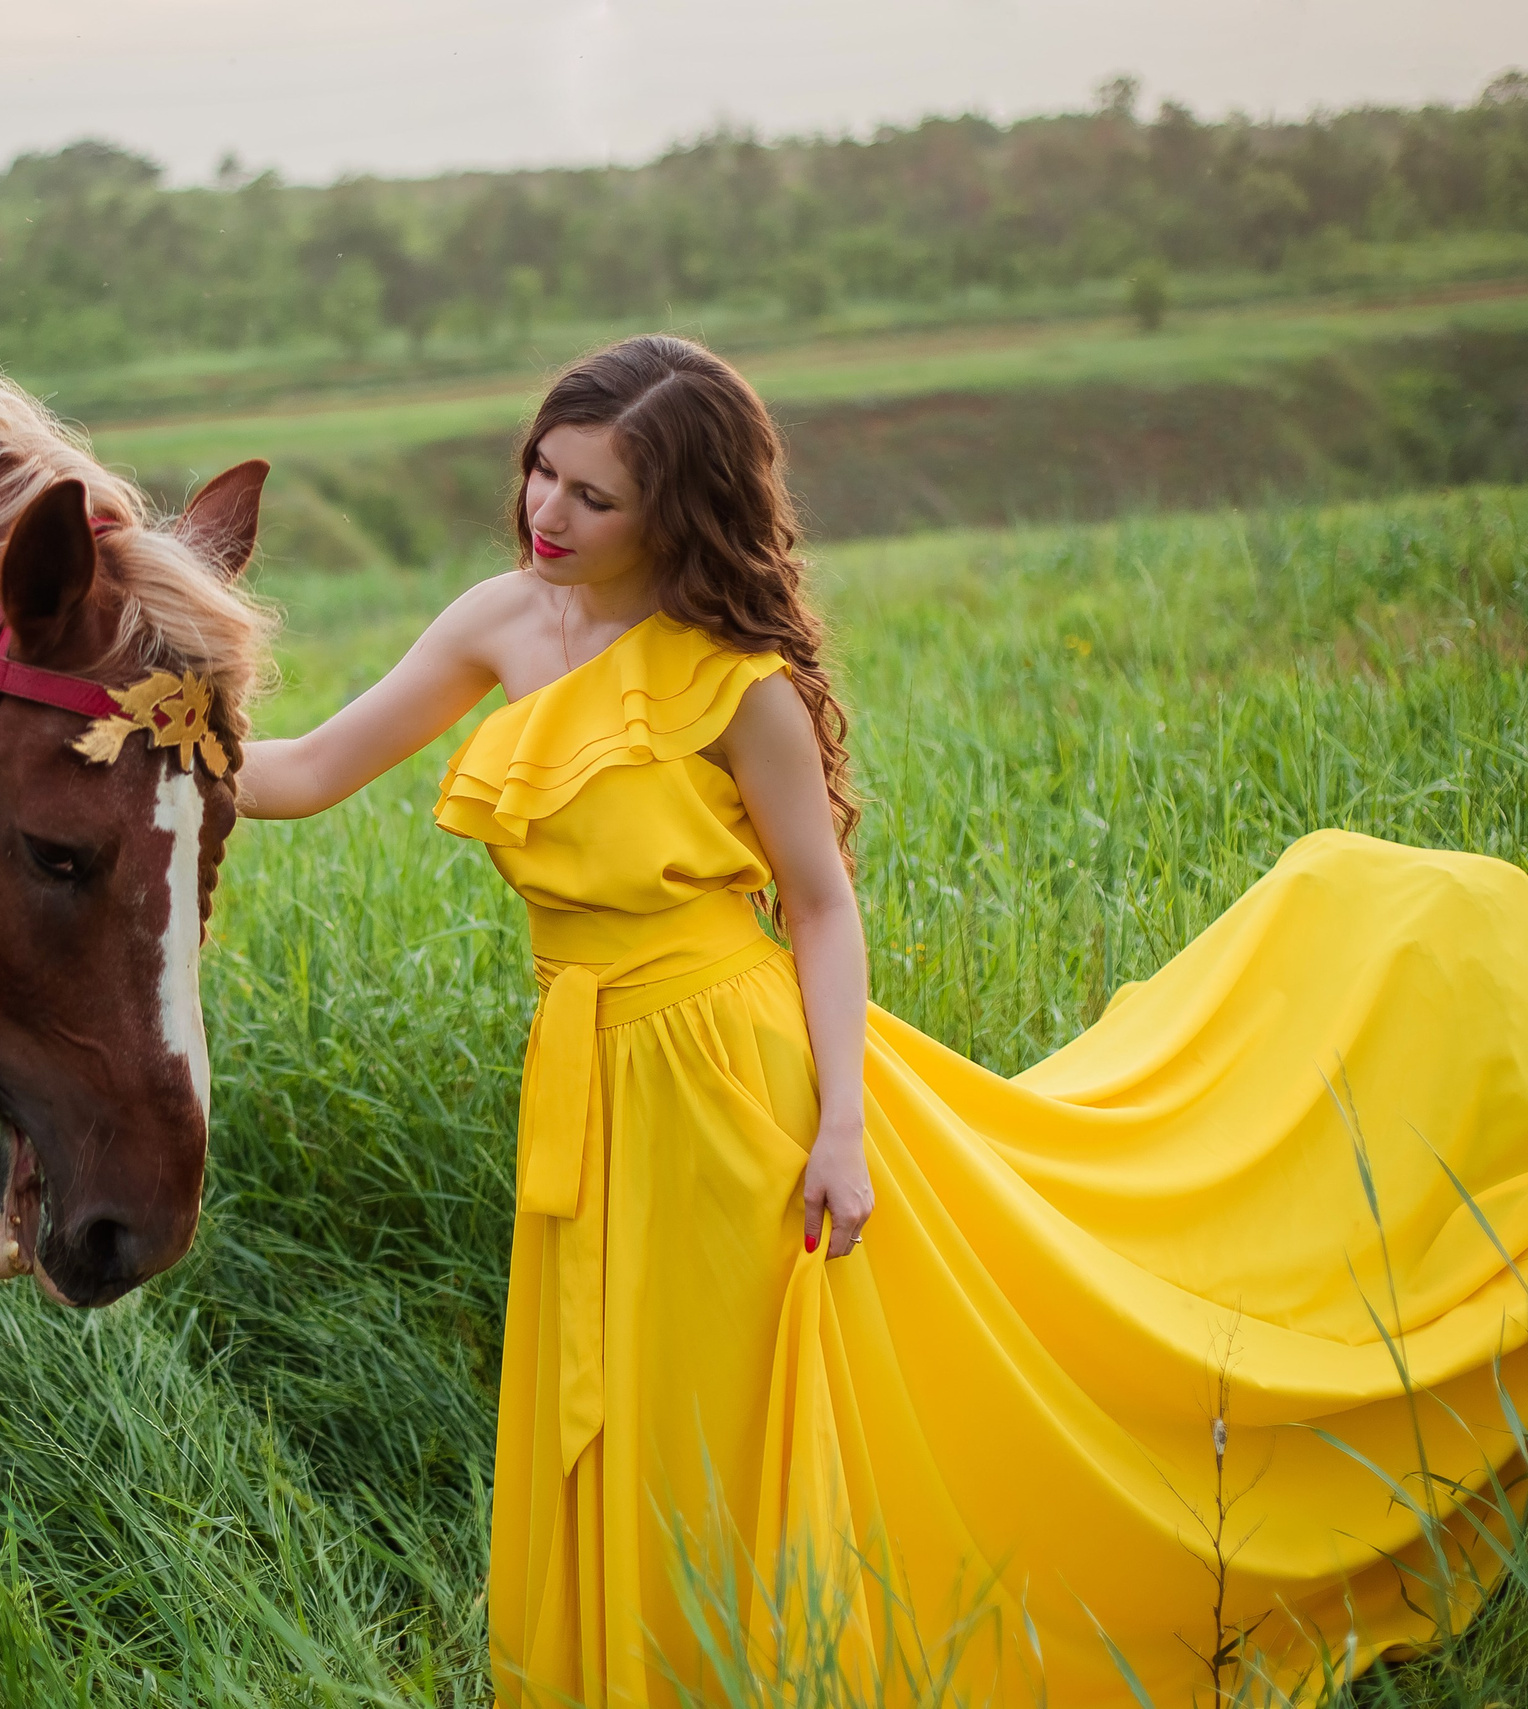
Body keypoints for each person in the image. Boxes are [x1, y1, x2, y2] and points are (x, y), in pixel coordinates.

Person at [235, 334, 1528, 1705]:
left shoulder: (740, 686)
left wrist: (842, 1124)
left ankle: (752, 1671)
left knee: (716, 1407)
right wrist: (136, 720)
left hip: (734, 1079)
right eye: (540, 473)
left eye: (593, 497)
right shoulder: (496, 618)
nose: (549, 515)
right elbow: (307, 768)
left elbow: (821, 906)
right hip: (587, 1068)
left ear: (677, 510)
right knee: (604, 1390)